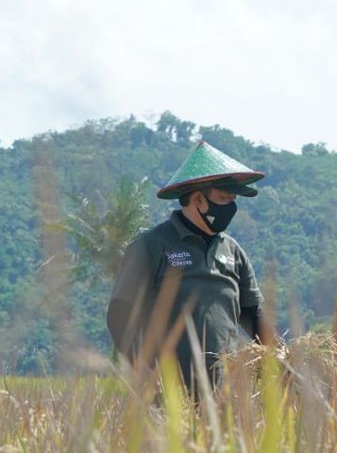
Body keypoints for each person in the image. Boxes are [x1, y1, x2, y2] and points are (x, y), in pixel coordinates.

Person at [106, 140, 277, 390]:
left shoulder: (232, 251)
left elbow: (252, 314)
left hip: (223, 395)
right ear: (198, 199)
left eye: (233, 200)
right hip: (168, 394)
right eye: (223, 199)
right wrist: (144, 374)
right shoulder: (151, 246)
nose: (231, 207)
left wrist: (283, 356)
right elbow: (119, 315)